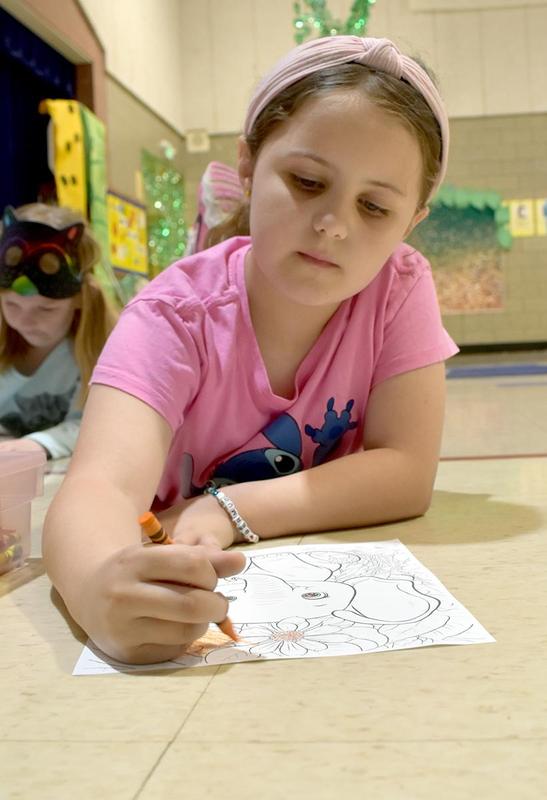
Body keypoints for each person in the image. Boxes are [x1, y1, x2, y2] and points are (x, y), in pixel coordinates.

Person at [43, 36, 459, 665]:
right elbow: (97, 487)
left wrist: (227, 508)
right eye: (307, 181)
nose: (333, 224)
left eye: (375, 206)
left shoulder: (398, 288)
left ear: (412, 221)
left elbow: (406, 470)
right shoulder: (173, 316)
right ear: (247, 164)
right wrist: (98, 586)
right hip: (181, 578)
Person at [0, 203, 118, 459]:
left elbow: (98, 424)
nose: (25, 321)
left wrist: (38, 444)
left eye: (45, 309)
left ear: (80, 299)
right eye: (11, 305)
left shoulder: (97, 354)